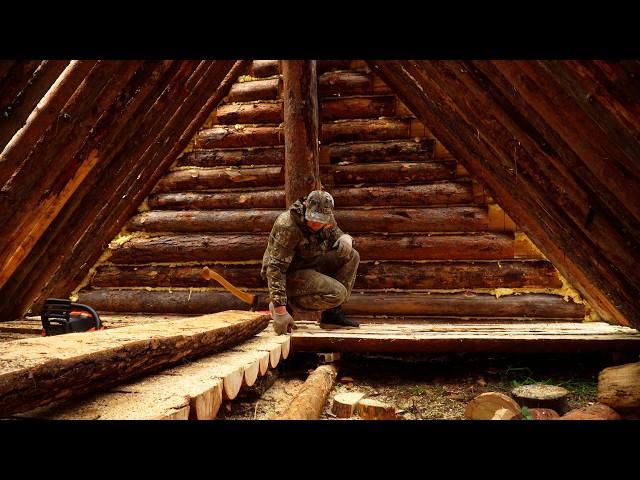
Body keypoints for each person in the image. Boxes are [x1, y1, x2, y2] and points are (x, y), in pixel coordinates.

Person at [261, 190, 360, 335]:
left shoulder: (326, 216)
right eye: (313, 218)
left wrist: (345, 238)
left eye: (321, 220)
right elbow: (275, 268)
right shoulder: (287, 226)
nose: (316, 223)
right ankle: (289, 305)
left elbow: (334, 232)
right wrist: (280, 311)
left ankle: (332, 315)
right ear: (306, 207)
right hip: (289, 274)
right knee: (338, 293)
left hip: (310, 263)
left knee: (351, 255)